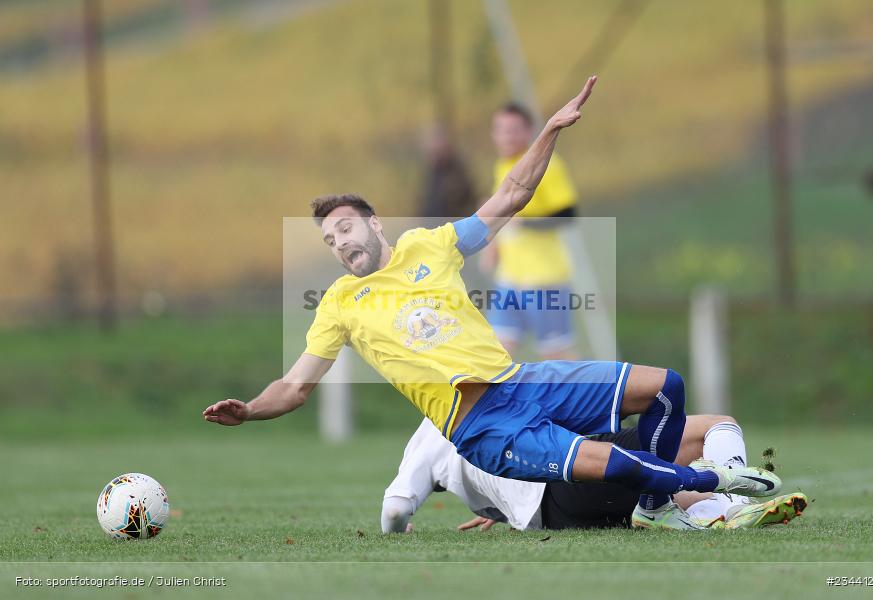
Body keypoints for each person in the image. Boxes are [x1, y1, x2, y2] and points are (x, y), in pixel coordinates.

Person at [203, 76, 781, 530]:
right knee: (619, 465)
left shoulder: (429, 244)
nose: (340, 243)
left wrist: (551, 128)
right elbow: (296, 386)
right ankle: (709, 489)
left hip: (520, 381)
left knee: (666, 386)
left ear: (374, 223)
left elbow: (512, 195)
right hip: (481, 425)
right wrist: (251, 410)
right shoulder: (338, 304)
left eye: (346, 228)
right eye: (329, 240)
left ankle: (662, 505)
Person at [381, 416, 808, 533]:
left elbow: (398, 510)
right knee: (667, 487)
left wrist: (495, 505)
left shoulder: (430, 436)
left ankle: (732, 504)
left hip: (565, 473)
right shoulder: (433, 433)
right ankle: (731, 507)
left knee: (714, 427)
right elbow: (397, 506)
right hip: (560, 481)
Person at [480, 102, 579, 360]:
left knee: (558, 358)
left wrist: (525, 223)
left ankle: (595, 399)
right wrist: (493, 247)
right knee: (496, 354)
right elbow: (502, 216)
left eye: (513, 130)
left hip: (545, 280)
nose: (506, 137)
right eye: (500, 130)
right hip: (509, 279)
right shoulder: (502, 166)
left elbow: (567, 215)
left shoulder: (549, 165)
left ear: (529, 132)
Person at [419, 124, 478, 219]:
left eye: (437, 143)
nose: (433, 149)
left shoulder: (457, 172)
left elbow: (465, 204)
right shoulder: (431, 173)